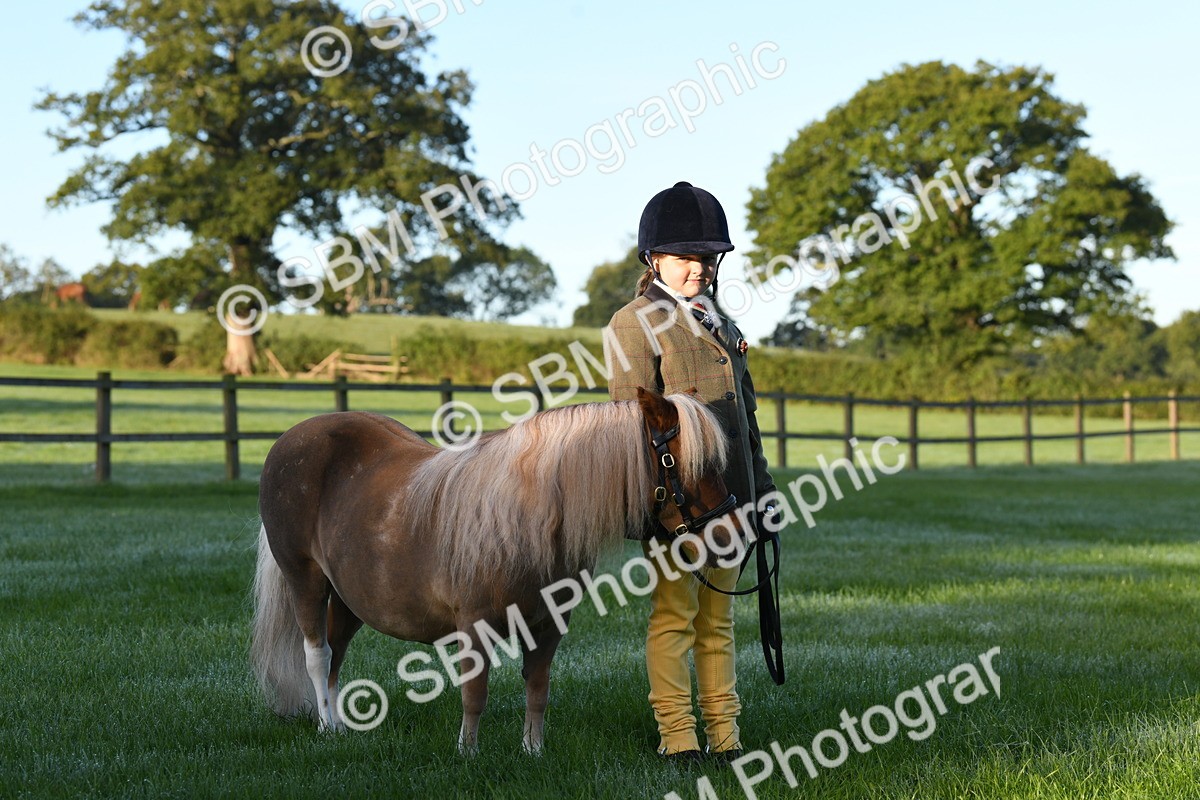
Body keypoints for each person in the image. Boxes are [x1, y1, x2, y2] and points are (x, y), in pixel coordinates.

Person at [605, 181, 776, 761]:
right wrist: (656, 511)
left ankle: (725, 736)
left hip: (733, 501)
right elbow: (635, 424)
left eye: (706, 258)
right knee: (675, 617)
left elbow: (744, 418)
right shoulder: (634, 323)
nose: (698, 269)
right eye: (685, 258)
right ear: (654, 260)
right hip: (679, 505)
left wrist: (764, 489)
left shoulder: (719, 321)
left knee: (719, 622)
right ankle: (678, 738)